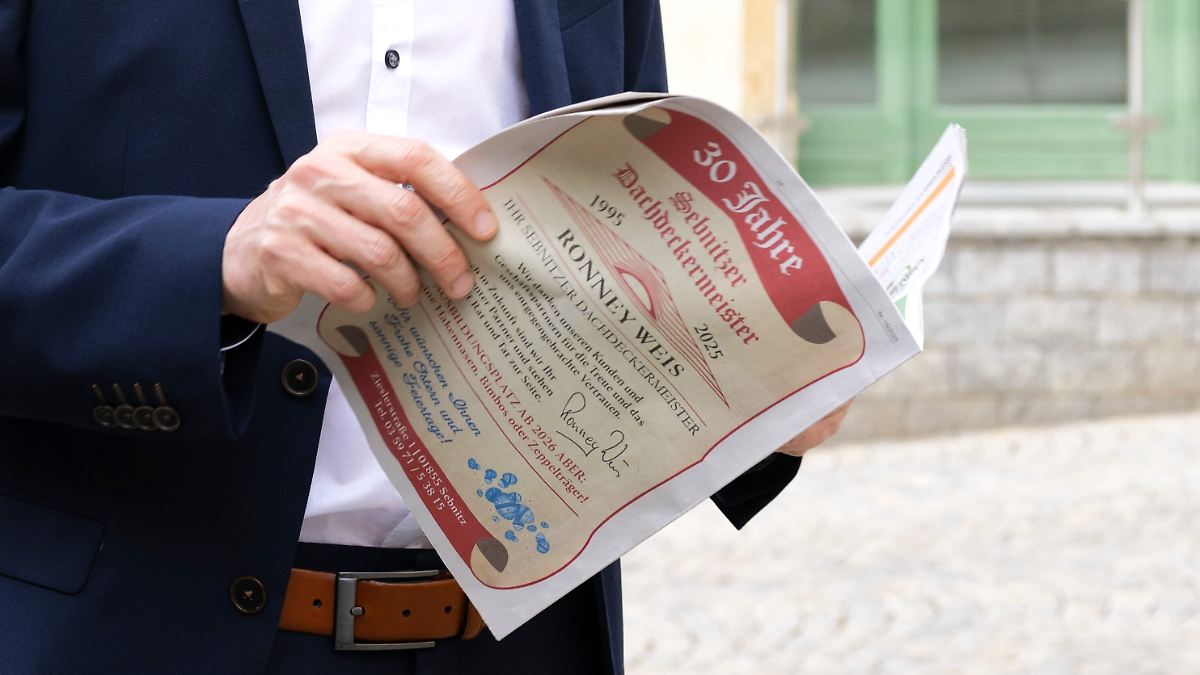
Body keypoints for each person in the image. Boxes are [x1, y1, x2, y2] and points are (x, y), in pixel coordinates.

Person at [0, 1, 850, 672]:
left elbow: (614, 235)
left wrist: (758, 393)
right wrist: (213, 261)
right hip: (141, 628)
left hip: (524, 643)